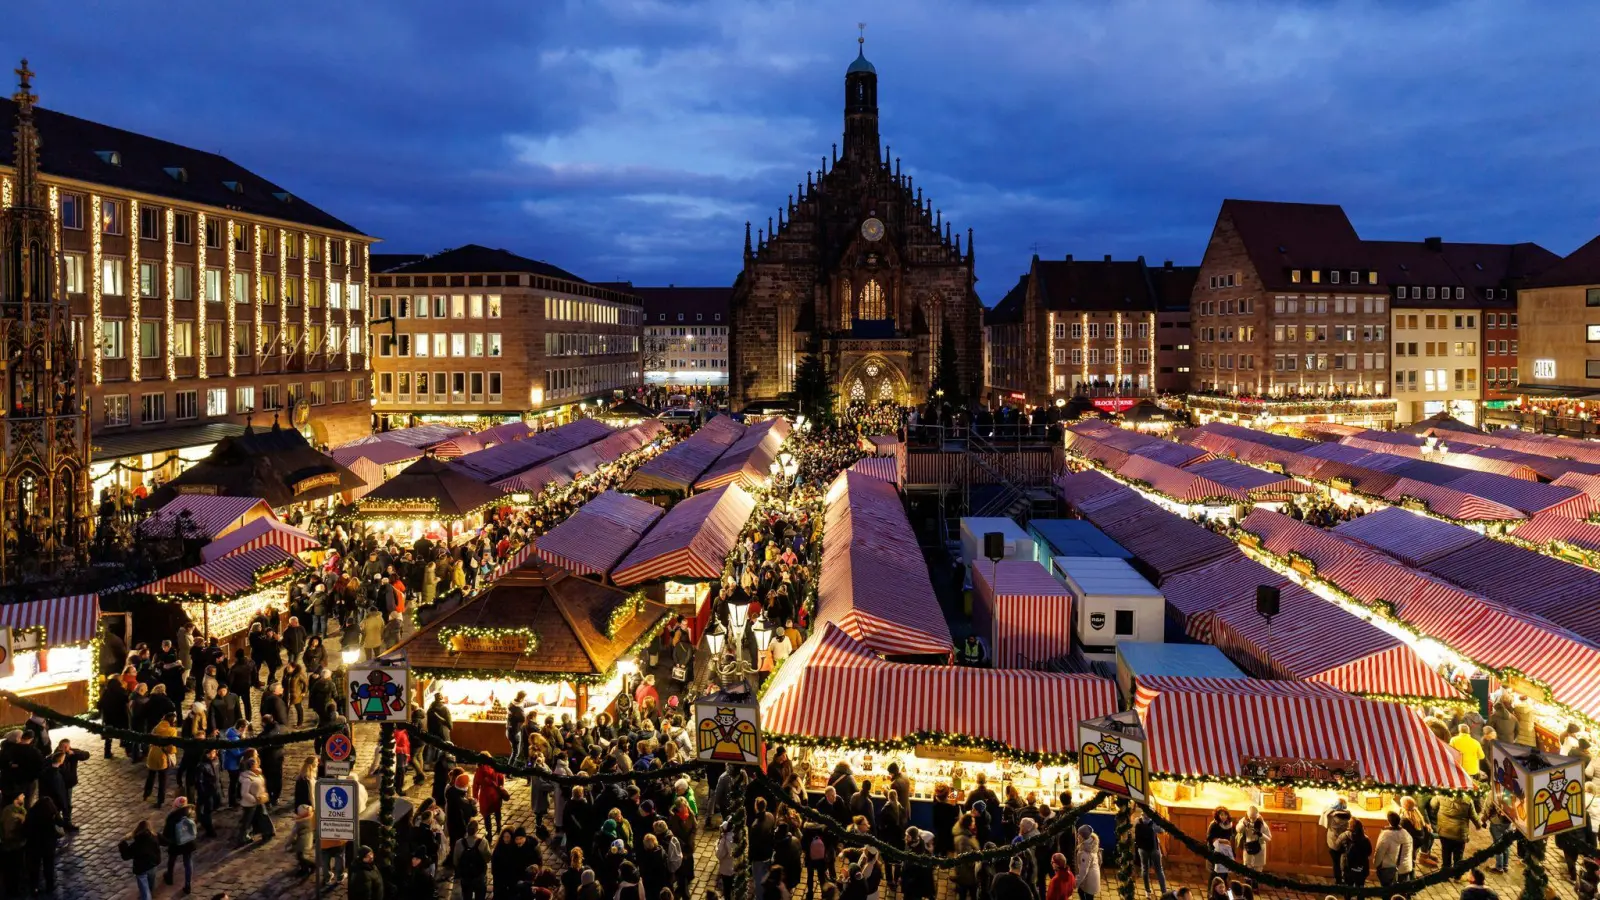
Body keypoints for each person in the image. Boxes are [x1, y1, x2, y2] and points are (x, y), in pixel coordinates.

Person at [1432, 793, 1481, 875]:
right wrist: (1478, 825)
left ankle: (1445, 873)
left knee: (1445, 852)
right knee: (1458, 855)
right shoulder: (1468, 800)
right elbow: (1474, 816)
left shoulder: (1441, 795)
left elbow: (1432, 805)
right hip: (1459, 833)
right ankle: (1457, 875)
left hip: (1444, 831)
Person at [24, 792, 59, 895]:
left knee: (34, 867)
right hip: (48, 846)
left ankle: (34, 888)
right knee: (49, 866)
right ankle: (50, 885)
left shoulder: (32, 814)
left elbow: (26, 830)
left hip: (34, 846)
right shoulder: (52, 814)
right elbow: (60, 824)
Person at [120, 819, 163, 900]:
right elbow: (164, 842)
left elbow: (126, 856)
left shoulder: (135, 845)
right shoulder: (155, 837)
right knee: (150, 886)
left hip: (141, 869)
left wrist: (123, 843)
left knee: (145, 892)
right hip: (152, 865)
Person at [163, 798, 199, 893]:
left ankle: (169, 877)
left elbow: (166, 833)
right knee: (188, 862)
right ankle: (188, 884)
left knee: (172, 859)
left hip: (176, 843)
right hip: (188, 842)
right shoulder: (191, 814)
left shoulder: (172, 817)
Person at [452, 818, 492, 900]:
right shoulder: (483, 842)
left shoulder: (459, 843)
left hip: (465, 877)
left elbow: (455, 861)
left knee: (466, 896)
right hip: (479, 876)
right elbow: (488, 858)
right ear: (477, 829)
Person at [145, 712, 178, 806]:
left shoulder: (156, 727)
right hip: (162, 757)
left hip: (152, 753)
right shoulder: (172, 730)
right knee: (162, 779)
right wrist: (173, 752)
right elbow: (171, 747)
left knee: (151, 775)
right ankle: (160, 801)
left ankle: (146, 794)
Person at [1134, 805, 1167, 896]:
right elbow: (1162, 830)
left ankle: (1147, 891)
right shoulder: (1154, 824)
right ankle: (1164, 891)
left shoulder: (1137, 821)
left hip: (1142, 849)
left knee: (1145, 869)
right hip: (1154, 849)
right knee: (1159, 870)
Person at [1375, 811, 1413, 887]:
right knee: (1402, 890)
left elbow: (1379, 852)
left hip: (1389, 869)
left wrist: (1377, 864)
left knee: (1387, 891)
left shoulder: (1386, 835)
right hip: (1405, 868)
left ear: (1388, 821)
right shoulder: (1406, 833)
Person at [1234, 805, 1270, 884]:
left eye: (1254, 818)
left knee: (1258, 869)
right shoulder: (1244, 820)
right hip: (1248, 849)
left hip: (1259, 849)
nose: (1252, 820)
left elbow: (1269, 838)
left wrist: (1260, 834)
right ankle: (1248, 886)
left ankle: (1255, 885)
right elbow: (1238, 829)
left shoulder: (1262, 824)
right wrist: (1243, 824)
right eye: (1250, 817)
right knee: (1247, 867)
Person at [1320, 796, 1352, 883]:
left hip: (1333, 843)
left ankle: (1338, 881)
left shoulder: (1330, 816)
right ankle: (1346, 879)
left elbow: (1325, 810)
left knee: (1336, 863)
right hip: (1344, 842)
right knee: (1345, 862)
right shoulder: (1348, 816)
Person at [1338, 819, 1372, 886]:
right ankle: (1360, 896)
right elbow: (1369, 852)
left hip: (1351, 868)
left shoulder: (1349, 839)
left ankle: (1348, 896)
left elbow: (1348, 855)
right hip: (1362, 867)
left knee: (1349, 887)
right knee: (1360, 887)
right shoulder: (1366, 839)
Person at [1076, 825, 1101, 900]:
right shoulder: (1093, 842)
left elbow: (1084, 871)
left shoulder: (1085, 853)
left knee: (1085, 894)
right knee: (1084, 893)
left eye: (1079, 834)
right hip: (1093, 876)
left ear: (1082, 836)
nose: (1077, 835)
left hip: (1089, 879)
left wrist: (1076, 883)